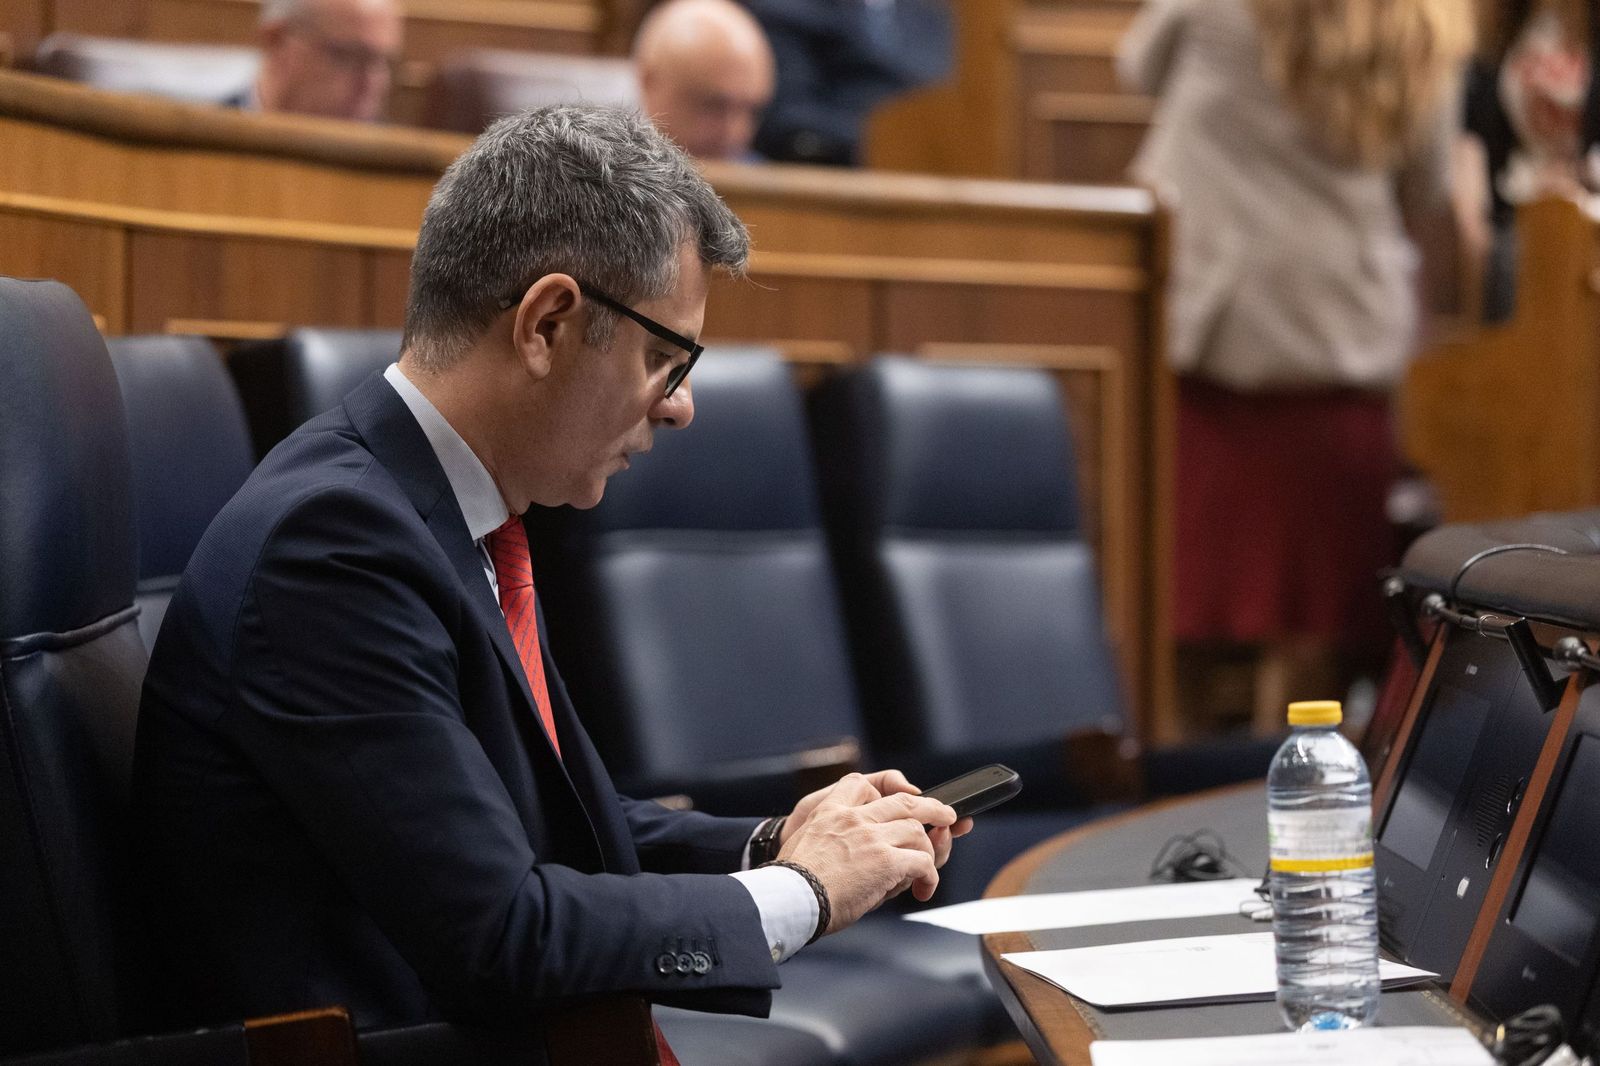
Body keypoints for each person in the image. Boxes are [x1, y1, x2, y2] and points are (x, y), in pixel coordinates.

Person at [131, 105, 968, 1045]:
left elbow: (537, 825)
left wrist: (778, 841)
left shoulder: (425, 512)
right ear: (547, 324)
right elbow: (504, 936)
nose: (682, 407)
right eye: (664, 358)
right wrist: (804, 892)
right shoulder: (332, 548)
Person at [1118, 0, 1470, 730]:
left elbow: (1137, 66)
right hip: (1336, 345)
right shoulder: (1422, 21)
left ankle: (1173, 774)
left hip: (1214, 335)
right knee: (1314, 622)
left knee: (1180, 606)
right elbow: (1428, 185)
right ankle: (1292, 782)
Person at [1462, 0, 1600, 320]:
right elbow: (1471, 136)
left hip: (1590, 219)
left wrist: (1580, 177)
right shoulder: (1500, 29)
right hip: (1514, 216)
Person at [741, 0, 952, 165]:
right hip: (831, 174)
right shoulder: (787, 9)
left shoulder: (928, 17)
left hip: (930, 172)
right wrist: (883, 139)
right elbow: (789, 115)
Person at [633, 0, 775, 161]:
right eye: (713, 106)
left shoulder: (755, 170)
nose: (734, 133)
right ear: (650, 82)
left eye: (752, 112)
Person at [235, 0, 404, 122]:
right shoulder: (219, 135)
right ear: (275, 40)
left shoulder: (397, 157)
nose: (371, 83)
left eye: (382, 62)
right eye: (349, 56)